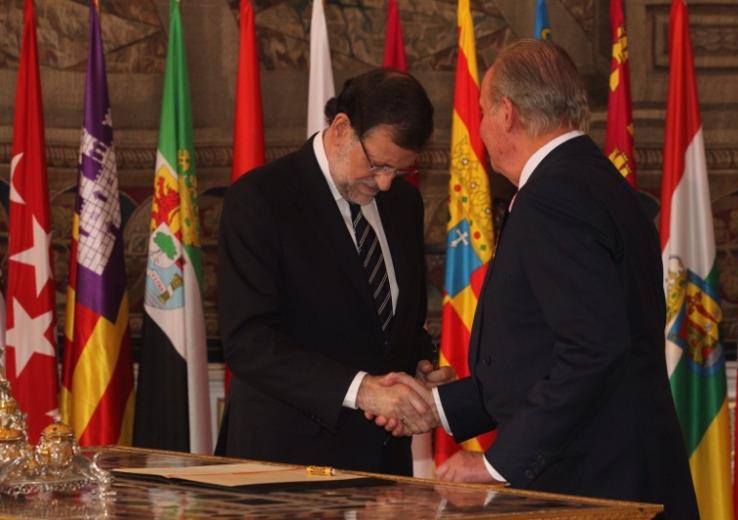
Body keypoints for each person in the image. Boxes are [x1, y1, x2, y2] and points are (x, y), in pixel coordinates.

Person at [379, 40, 699, 518]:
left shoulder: (554, 195)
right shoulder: (591, 180)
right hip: (619, 473)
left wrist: (497, 465)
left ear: (507, 113)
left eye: (483, 111)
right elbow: (540, 353)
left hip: (595, 484)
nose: (480, 128)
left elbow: (593, 349)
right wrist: (436, 405)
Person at [216, 69, 444, 475]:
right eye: (377, 165)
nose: (387, 183)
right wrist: (362, 391)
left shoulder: (404, 204)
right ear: (341, 128)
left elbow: (396, 324)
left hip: (382, 466)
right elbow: (248, 341)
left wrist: (419, 367)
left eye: (399, 170)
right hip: (286, 464)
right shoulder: (260, 199)